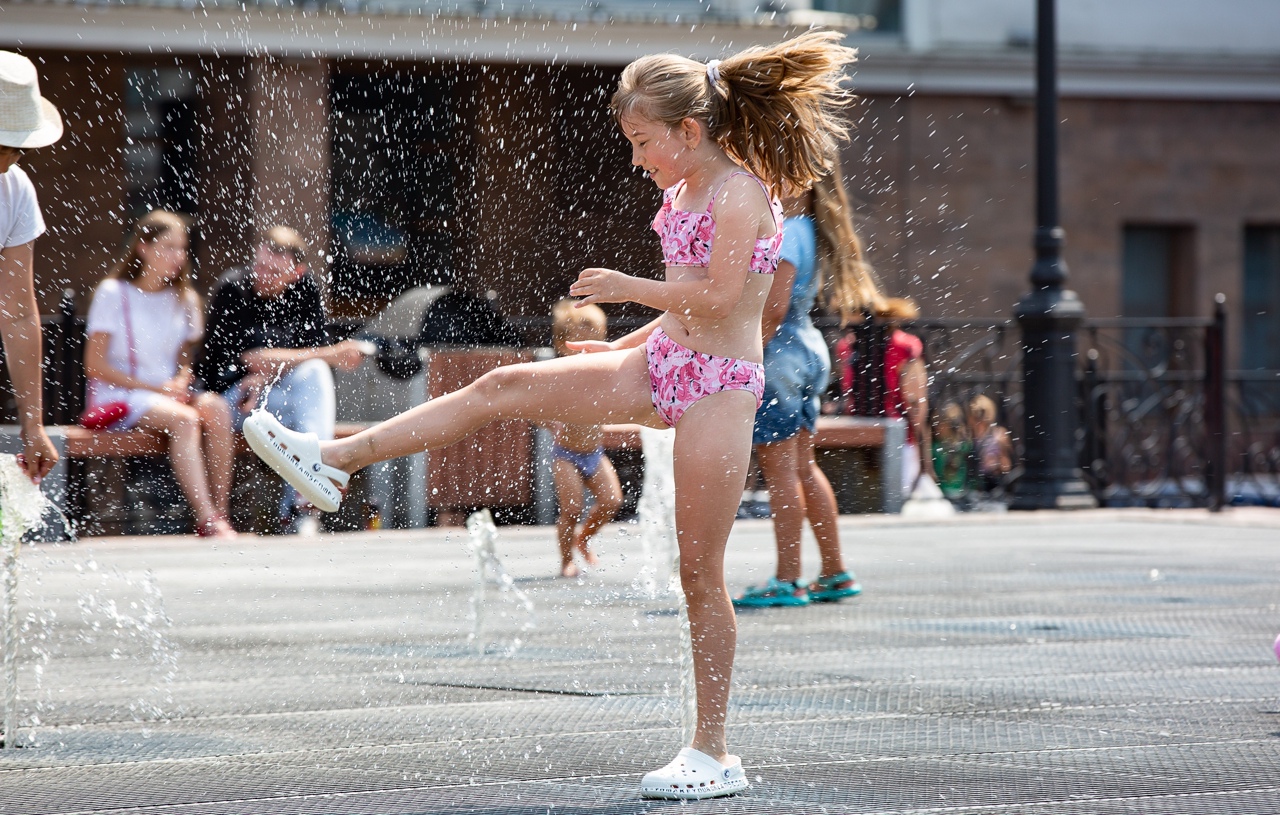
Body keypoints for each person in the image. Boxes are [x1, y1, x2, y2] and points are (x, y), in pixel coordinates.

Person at [242, 30, 857, 800]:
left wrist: (629, 286)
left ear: (689, 131)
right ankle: (334, 460)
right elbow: (682, 314)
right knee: (503, 385)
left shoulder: (739, 191)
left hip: (721, 389)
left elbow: (723, 299)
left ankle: (712, 751)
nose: (637, 159)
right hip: (662, 360)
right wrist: (612, 345)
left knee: (698, 570)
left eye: (642, 142)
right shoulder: (681, 190)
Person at [734, 159, 875, 609]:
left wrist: (741, 357)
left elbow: (773, 308)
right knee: (801, 468)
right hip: (806, 351)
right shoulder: (807, 228)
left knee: (778, 472)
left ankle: (788, 579)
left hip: (780, 357)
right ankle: (834, 571)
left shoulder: (788, 230)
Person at [197, 226, 368, 535]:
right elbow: (246, 360)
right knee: (315, 370)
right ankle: (307, 497)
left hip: (277, 400)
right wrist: (329, 354)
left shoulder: (305, 290)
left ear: (296, 273)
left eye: (274, 271)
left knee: (314, 374)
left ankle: (302, 501)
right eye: (259, 266)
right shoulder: (232, 289)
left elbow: (303, 355)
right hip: (231, 401)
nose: (262, 275)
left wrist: (273, 368)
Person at [83, 210, 236, 538]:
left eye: (181, 248)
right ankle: (206, 517)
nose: (177, 256)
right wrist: (155, 387)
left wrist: (181, 380)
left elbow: (183, 360)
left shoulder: (185, 298)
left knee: (218, 409)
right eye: (167, 247)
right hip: (120, 395)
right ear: (144, 248)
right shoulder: (113, 293)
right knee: (186, 420)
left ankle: (221, 511)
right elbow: (94, 365)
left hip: (165, 396)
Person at [0, 51, 62, 484]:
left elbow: (18, 313)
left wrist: (33, 424)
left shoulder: (15, 190)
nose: (15, 156)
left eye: (19, 146)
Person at [547, 299, 622, 578]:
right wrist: (549, 421)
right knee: (571, 508)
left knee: (612, 501)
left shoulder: (600, 374)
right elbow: (533, 410)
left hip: (594, 452)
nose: (590, 351)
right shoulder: (558, 376)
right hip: (566, 454)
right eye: (581, 345)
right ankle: (566, 560)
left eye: (596, 342)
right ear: (561, 344)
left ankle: (585, 538)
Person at [835, 297, 937, 495]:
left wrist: (925, 463)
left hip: (892, 438)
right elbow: (918, 408)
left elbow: (916, 407)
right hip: (865, 435)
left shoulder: (904, 347)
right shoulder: (847, 348)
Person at [968, 393, 1013, 494]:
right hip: (972, 484)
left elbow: (1007, 466)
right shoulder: (968, 436)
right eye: (975, 414)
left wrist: (996, 463)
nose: (979, 419)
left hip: (992, 482)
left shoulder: (999, 435)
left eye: (982, 413)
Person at [932, 400, 973, 499]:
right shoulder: (935, 447)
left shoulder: (964, 446)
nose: (936, 428)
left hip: (961, 494)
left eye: (940, 424)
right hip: (941, 495)